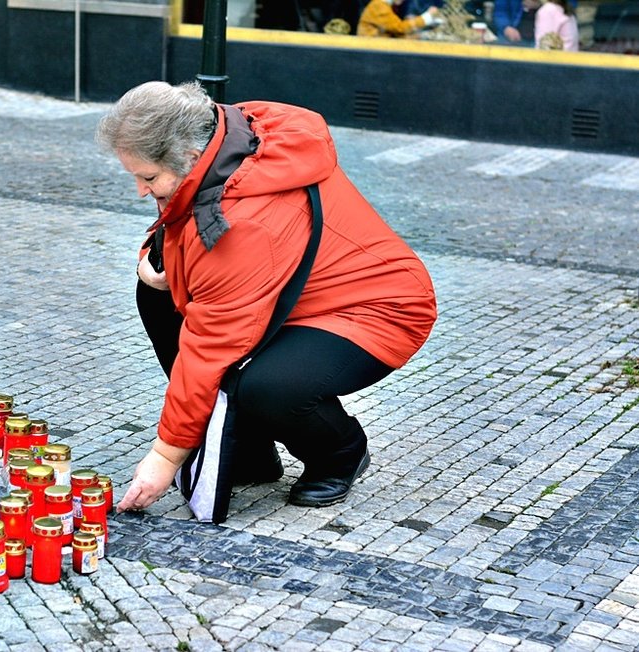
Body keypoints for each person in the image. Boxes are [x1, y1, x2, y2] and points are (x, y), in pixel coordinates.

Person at [97, 81, 437, 514]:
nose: (141, 191)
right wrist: (160, 261)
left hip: (376, 307)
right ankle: (248, 452)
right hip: (287, 295)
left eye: (148, 177)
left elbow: (210, 345)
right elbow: (181, 222)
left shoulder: (246, 222)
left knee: (269, 388)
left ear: (185, 157)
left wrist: (165, 456)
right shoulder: (222, 138)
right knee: (158, 295)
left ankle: (340, 453)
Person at [357, 0, 440, 37]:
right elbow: (400, 28)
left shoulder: (384, 6)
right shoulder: (379, 6)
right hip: (372, 52)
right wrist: (427, 17)